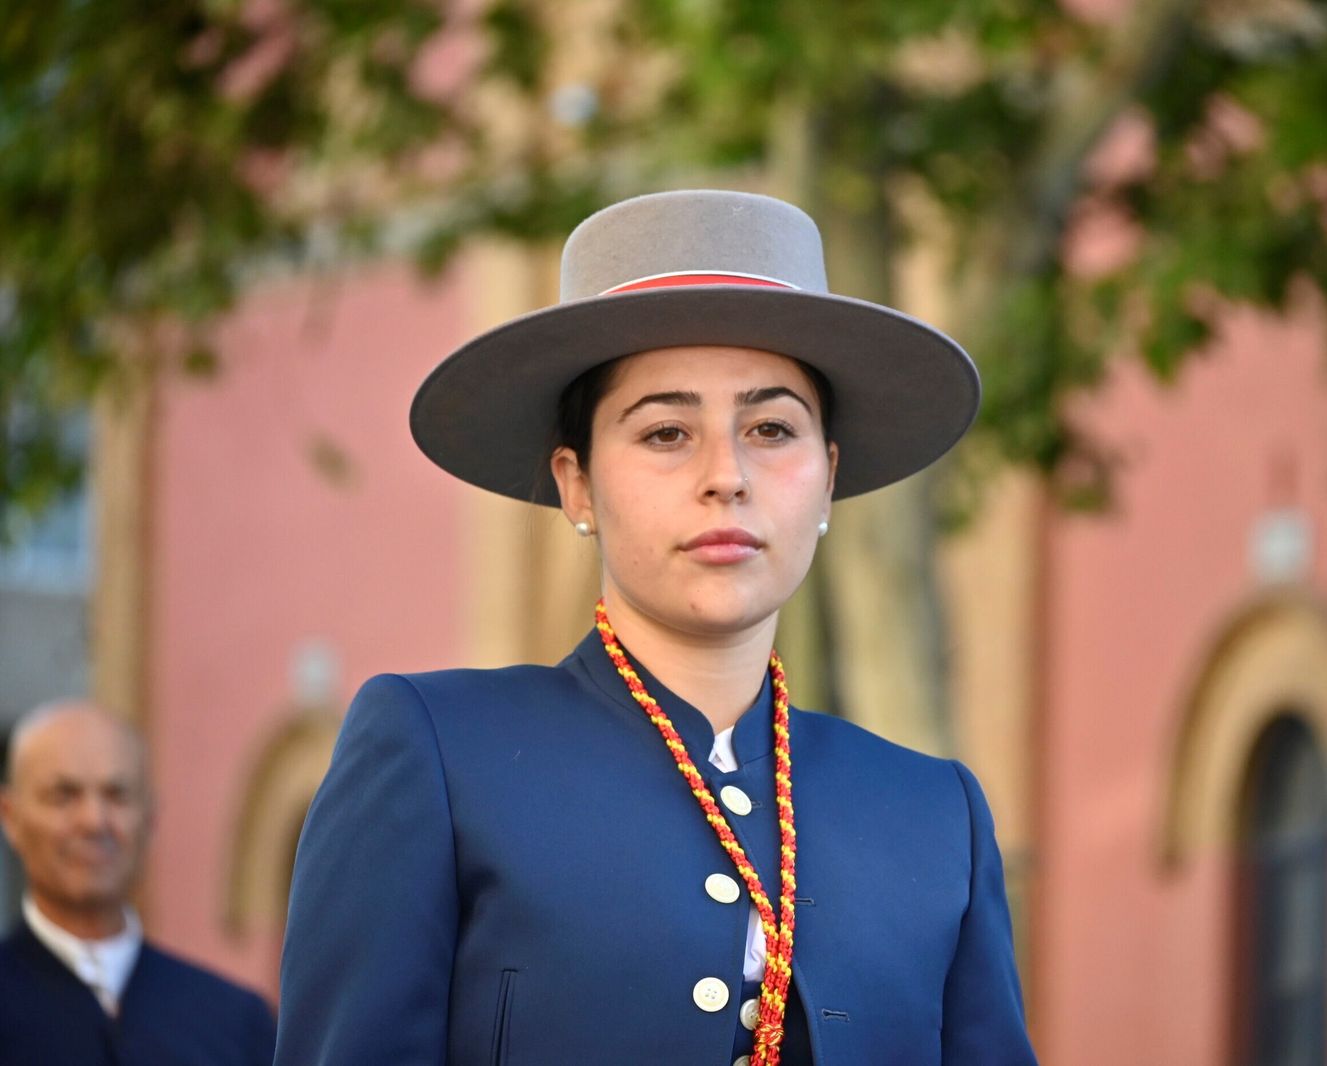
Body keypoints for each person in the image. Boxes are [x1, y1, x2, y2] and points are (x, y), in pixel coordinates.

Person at [276, 189, 1037, 1065]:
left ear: (827, 478)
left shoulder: (932, 814)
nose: (728, 475)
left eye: (772, 428)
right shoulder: (440, 755)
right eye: (668, 431)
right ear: (577, 483)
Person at [0, 700, 276, 1066]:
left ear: (150, 817)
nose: (94, 821)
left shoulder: (238, 1023)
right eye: (63, 796)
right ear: (11, 816)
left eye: (117, 795)